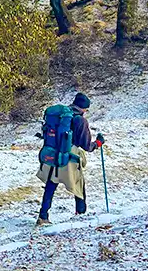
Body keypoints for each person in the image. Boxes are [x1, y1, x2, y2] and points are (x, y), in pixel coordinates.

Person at [36, 93, 104, 226]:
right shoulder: (80, 120)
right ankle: (81, 214)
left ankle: (43, 216)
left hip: (52, 156)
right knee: (78, 183)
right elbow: (86, 145)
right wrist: (99, 143)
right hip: (69, 157)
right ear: (84, 108)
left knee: (50, 185)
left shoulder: (60, 116)